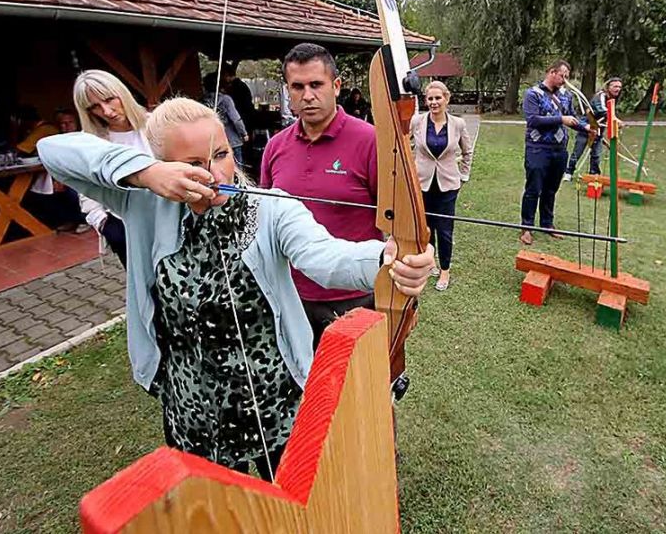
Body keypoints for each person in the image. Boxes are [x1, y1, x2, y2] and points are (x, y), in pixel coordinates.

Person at [37, 97, 435, 480]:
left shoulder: (270, 206)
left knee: (291, 508)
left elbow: (326, 259)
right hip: (193, 411)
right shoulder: (143, 204)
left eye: (221, 154)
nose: (216, 174)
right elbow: (53, 150)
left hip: (276, 404)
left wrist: (387, 262)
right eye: (191, 164)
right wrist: (144, 174)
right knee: (217, 516)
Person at [260, 43, 381, 351]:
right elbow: (264, 218)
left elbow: (396, 222)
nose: (307, 95)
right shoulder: (275, 147)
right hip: (292, 295)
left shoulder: (371, 142)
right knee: (301, 388)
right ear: (288, 92)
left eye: (316, 84)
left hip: (353, 296)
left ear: (336, 86)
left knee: (358, 392)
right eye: (297, 87)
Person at [73, 69, 151, 268]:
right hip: (126, 229)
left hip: (173, 224)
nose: (106, 111)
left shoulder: (157, 124)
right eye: (95, 107)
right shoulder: (92, 142)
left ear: (121, 93)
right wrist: (104, 224)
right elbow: (86, 190)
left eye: (109, 99)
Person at [410, 81, 474, 291]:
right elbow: (404, 145)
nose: (434, 102)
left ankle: (445, 270)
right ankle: (432, 263)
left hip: (448, 185)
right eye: (430, 98)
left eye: (438, 98)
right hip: (422, 184)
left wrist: (463, 175)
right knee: (426, 228)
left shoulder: (458, 124)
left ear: (447, 99)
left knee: (445, 230)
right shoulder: (417, 122)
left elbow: (467, 151)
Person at [519, 60, 585, 246]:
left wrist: (588, 128)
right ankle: (527, 227)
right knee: (534, 188)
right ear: (551, 72)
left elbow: (573, 118)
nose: (565, 80)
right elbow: (533, 120)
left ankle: (547, 224)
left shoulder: (566, 95)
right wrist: (560, 119)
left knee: (551, 189)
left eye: (567, 76)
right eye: (563, 75)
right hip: (537, 149)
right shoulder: (533, 94)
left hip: (559, 150)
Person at [26, 108, 89, 233]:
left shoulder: (84, 138)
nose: (66, 126)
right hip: (65, 176)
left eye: (70, 122)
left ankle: (84, 220)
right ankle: (69, 220)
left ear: (76, 123)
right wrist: (58, 180)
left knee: (72, 192)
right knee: (48, 193)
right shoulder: (56, 141)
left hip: (83, 177)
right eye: (62, 124)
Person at [564, 77, 623, 180]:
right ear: (608, 87)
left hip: (599, 130)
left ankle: (594, 175)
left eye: (619, 87)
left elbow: (605, 117)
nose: (617, 89)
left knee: (596, 155)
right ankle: (568, 173)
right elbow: (602, 110)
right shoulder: (601, 96)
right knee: (577, 153)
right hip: (586, 127)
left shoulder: (612, 99)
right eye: (615, 86)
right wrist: (615, 119)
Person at [203, 71, 248, 165]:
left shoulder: (202, 102)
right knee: (238, 170)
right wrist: (244, 133)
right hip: (232, 140)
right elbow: (236, 119)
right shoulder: (226, 100)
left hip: (213, 141)